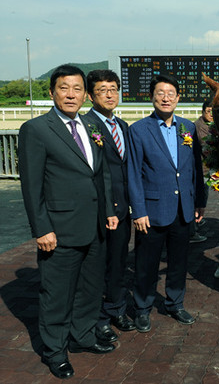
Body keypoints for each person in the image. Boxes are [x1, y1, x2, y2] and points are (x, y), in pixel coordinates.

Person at [18, 64, 118, 379]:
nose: (71, 94)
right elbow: (31, 186)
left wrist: (109, 212)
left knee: (90, 290)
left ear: (85, 94)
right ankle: (55, 352)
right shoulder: (36, 129)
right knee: (57, 294)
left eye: (77, 89)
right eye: (64, 88)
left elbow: (99, 174)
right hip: (59, 230)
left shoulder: (91, 127)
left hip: (95, 226)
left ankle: (83, 336)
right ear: (52, 92)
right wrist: (41, 228)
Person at [127, 74, 206, 333]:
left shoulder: (188, 128)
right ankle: (142, 308)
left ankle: (175, 303)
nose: (165, 97)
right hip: (151, 211)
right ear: (152, 97)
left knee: (179, 262)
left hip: (183, 209)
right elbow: (134, 174)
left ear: (178, 98)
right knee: (146, 264)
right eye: (160, 92)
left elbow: (195, 168)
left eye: (171, 93)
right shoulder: (138, 130)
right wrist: (138, 211)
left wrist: (199, 202)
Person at [85, 70, 136, 344]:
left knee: (118, 263)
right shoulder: (85, 125)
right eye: (103, 89)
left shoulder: (124, 126)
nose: (109, 94)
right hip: (99, 211)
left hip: (123, 210)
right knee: (99, 267)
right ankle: (99, 319)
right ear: (91, 95)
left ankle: (116, 309)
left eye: (114, 89)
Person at [190, 99, 213, 243]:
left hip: (206, 170)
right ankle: (192, 231)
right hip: (201, 170)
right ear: (203, 112)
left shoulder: (211, 125)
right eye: (208, 112)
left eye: (213, 112)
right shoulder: (199, 126)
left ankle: (197, 221)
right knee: (198, 198)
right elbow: (207, 148)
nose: (211, 115)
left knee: (202, 197)